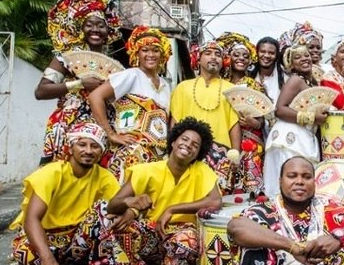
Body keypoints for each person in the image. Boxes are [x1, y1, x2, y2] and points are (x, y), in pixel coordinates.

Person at [96, 117, 222, 265]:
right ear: (173, 141)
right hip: (151, 232)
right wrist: (131, 202)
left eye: (195, 145)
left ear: (198, 153)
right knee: (115, 221)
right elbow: (113, 204)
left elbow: (215, 201)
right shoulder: (147, 170)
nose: (188, 145)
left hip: (180, 235)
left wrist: (172, 209)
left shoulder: (201, 170)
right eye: (184, 139)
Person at [9, 123, 120, 265]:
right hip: (47, 239)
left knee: (107, 209)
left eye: (95, 146)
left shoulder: (105, 177)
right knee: (24, 255)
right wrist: (46, 259)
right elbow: (31, 220)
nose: (88, 151)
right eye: (82, 144)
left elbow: (118, 207)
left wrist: (132, 205)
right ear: (71, 147)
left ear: (101, 152)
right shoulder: (50, 173)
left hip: (77, 240)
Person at [36, 0, 122, 164]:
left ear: (108, 30)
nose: (95, 30)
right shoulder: (66, 57)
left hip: (101, 127)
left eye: (100, 25)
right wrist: (80, 84)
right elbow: (41, 91)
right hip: (68, 126)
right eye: (89, 24)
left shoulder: (110, 64)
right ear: (80, 28)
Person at [89, 26, 172, 183]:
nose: (150, 55)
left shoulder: (166, 86)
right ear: (136, 53)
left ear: (162, 54)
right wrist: (111, 134)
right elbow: (95, 97)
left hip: (158, 156)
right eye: (145, 50)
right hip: (131, 154)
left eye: (155, 50)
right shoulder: (131, 75)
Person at [171, 41, 241, 194]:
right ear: (198, 58)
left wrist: (236, 154)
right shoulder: (183, 87)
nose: (214, 58)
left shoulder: (231, 90)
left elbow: (234, 124)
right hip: (188, 150)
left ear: (224, 61)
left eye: (218, 54)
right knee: (185, 194)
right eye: (208, 53)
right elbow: (175, 122)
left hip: (221, 154)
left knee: (216, 201)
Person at [262, 45, 327, 197]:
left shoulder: (311, 82)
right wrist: (313, 118)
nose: (304, 58)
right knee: (289, 183)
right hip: (290, 138)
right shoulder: (295, 80)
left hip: (302, 134)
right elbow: (280, 109)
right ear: (290, 65)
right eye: (298, 57)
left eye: (306, 55)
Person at [216, 32, 267, 195]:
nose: (241, 58)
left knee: (251, 186)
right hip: (225, 140)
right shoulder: (220, 85)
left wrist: (255, 123)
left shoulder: (255, 85)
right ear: (228, 58)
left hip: (250, 143)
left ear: (250, 60)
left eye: (245, 56)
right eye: (236, 55)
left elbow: (264, 116)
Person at [249, 36, 286, 106]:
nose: (266, 55)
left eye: (271, 53)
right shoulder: (248, 74)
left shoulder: (285, 78)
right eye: (262, 52)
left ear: (276, 55)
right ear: (256, 53)